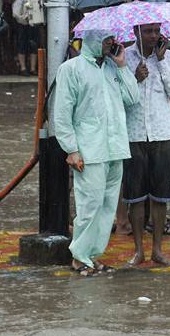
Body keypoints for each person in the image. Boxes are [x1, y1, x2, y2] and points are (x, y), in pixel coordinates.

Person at [52, 30, 139, 276]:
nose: (111, 43)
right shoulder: (72, 69)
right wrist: (71, 149)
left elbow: (132, 98)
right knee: (89, 205)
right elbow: (62, 113)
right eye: (106, 39)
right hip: (89, 150)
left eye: (112, 39)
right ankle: (79, 258)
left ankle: (92, 255)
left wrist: (122, 67)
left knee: (107, 206)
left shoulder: (112, 68)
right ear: (91, 39)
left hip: (115, 148)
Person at [122, 23, 170, 265]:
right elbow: (120, 98)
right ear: (137, 31)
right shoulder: (124, 57)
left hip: (163, 134)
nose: (154, 36)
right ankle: (139, 251)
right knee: (135, 198)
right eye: (148, 31)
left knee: (160, 197)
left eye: (157, 31)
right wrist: (134, 80)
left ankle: (157, 250)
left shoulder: (169, 57)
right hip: (134, 135)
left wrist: (162, 60)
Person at [5, 0, 41, 76]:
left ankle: (32, 68)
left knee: (34, 41)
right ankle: (23, 68)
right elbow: (9, 1)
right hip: (18, 17)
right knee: (21, 41)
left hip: (33, 15)